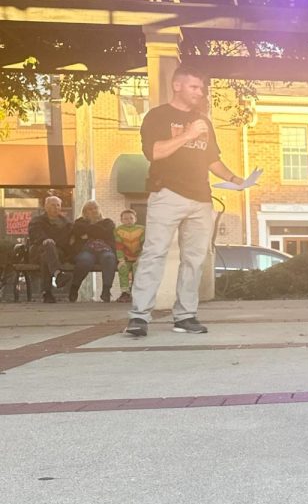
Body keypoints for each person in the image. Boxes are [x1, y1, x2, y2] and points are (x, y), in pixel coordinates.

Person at [125, 66, 244, 337]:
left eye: (201, 89)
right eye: (194, 87)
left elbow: (212, 159)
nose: (199, 92)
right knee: (155, 253)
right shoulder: (157, 116)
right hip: (166, 193)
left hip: (201, 198)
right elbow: (154, 152)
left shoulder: (204, 121)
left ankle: (185, 315)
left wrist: (236, 179)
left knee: (194, 259)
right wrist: (188, 134)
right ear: (177, 85)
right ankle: (139, 317)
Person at [68, 200, 117, 302]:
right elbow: (78, 230)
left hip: (105, 249)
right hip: (86, 250)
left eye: (95, 208)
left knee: (109, 258)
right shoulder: (79, 222)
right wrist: (97, 231)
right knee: (85, 260)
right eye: (90, 209)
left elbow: (106, 233)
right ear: (85, 212)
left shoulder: (108, 222)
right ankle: (74, 288)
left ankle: (106, 290)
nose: (94, 210)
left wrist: (88, 232)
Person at [26, 194, 72, 304]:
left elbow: (66, 240)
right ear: (46, 207)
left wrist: (52, 242)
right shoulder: (37, 221)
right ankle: (57, 276)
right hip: (38, 249)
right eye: (52, 205)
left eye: (58, 205)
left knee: (46, 256)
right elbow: (35, 234)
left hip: (58, 252)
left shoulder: (66, 223)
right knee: (48, 247)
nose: (56, 208)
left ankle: (47, 293)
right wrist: (45, 239)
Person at [114, 208, 145, 301]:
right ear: (121, 220)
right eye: (126, 218)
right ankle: (125, 293)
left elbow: (144, 245)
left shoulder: (142, 229)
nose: (129, 221)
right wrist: (121, 260)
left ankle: (136, 292)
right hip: (126, 258)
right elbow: (119, 246)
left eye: (131, 218)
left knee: (137, 269)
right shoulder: (118, 230)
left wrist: (140, 258)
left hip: (139, 257)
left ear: (135, 219)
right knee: (122, 268)